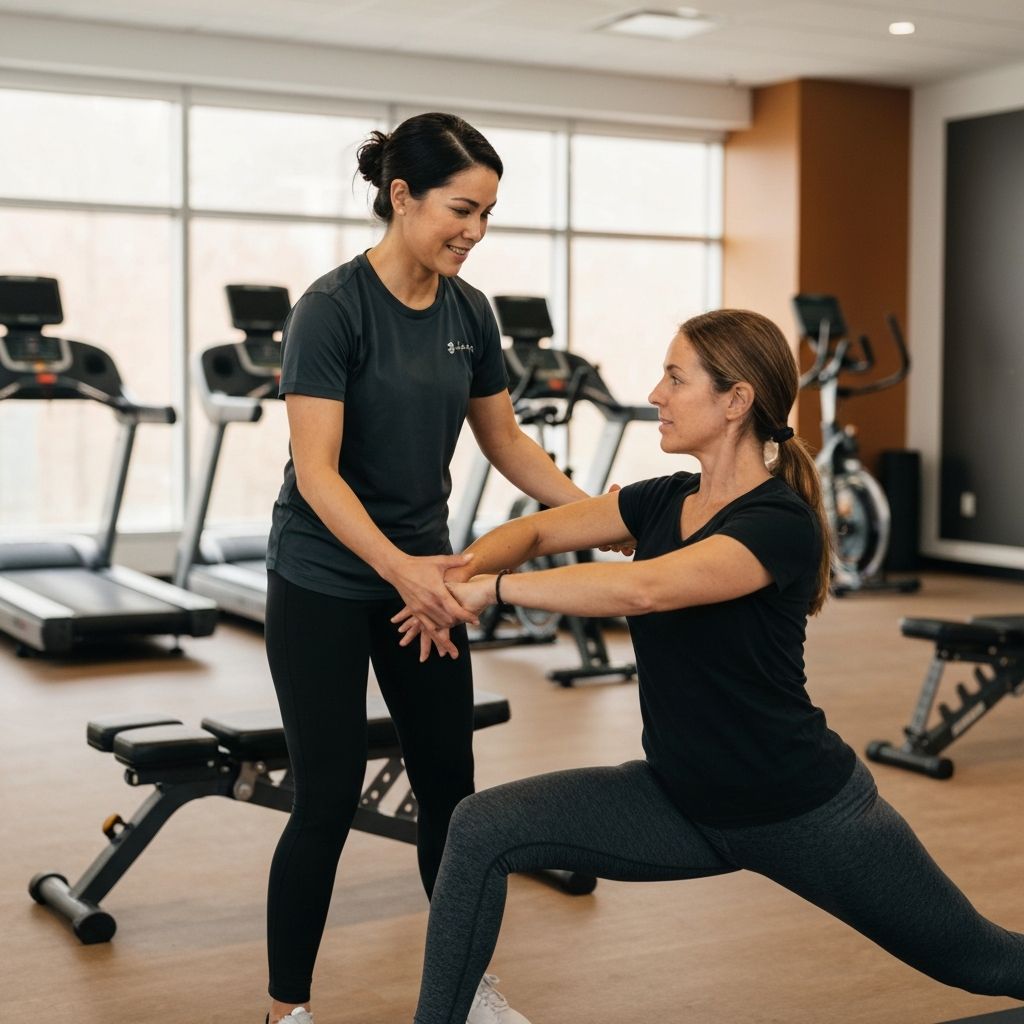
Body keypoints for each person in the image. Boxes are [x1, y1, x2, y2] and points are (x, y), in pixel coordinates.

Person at [400, 309, 1024, 1024]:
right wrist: (447, 580)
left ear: (736, 401)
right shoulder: (663, 499)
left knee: (985, 963)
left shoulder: (779, 522)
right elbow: (540, 527)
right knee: (481, 826)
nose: (656, 394)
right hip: (680, 801)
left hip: (802, 811)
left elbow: (646, 587)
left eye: (675, 377)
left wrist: (497, 592)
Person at [263, 111, 591, 1024]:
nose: (475, 232)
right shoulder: (331, 309)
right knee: (324, 800)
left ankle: (466, 991)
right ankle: (288, 1010)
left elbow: (506, 442)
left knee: (453, 789)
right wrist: (409, 574)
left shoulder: (468, 311)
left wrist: (600, 519)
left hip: (423, 580)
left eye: (488, 213)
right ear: (401, 197)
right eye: (461, 209)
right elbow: (319, 478)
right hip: (325, 579)